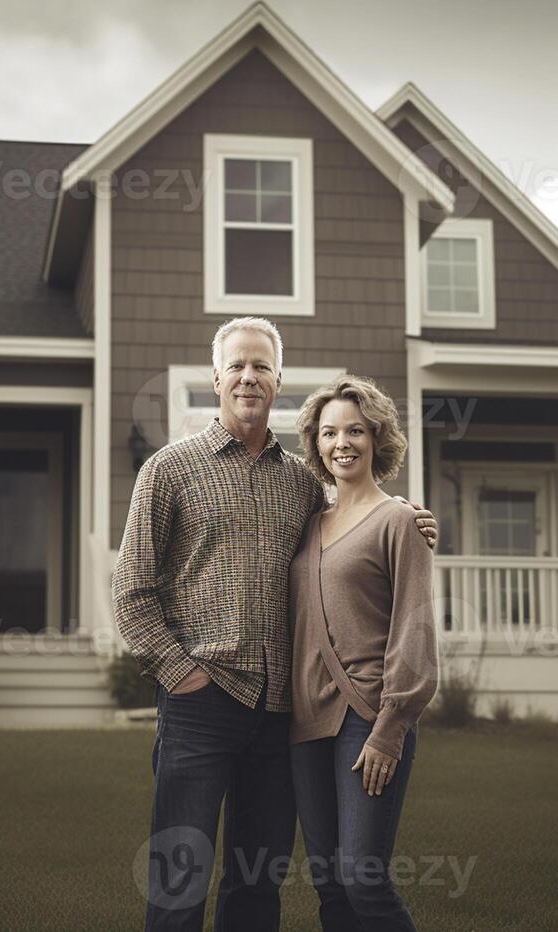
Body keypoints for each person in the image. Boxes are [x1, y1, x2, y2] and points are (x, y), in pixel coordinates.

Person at [112, 316, 438, 932]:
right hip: (199, 703)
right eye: (237, 364)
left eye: (261, 366)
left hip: (281, 714)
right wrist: (182, 677)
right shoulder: (168, 471)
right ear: (216, 377)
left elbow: (356, 528)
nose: (249, 376)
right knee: (179, 879)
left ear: (278, 380)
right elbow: (131, 592)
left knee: (256, 882)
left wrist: (412, 521)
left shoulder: (303, 485)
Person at [288, 373, 441, 931]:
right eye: (329, 433)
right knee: (328, 883)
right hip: (306, 721)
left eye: (354, 431)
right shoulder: (308, 525)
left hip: (369, 717)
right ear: (316, 443)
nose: (341, 443)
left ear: (377, 438)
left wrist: (391, 725)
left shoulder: (400, 521)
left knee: (362, 876)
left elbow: (414, 627)